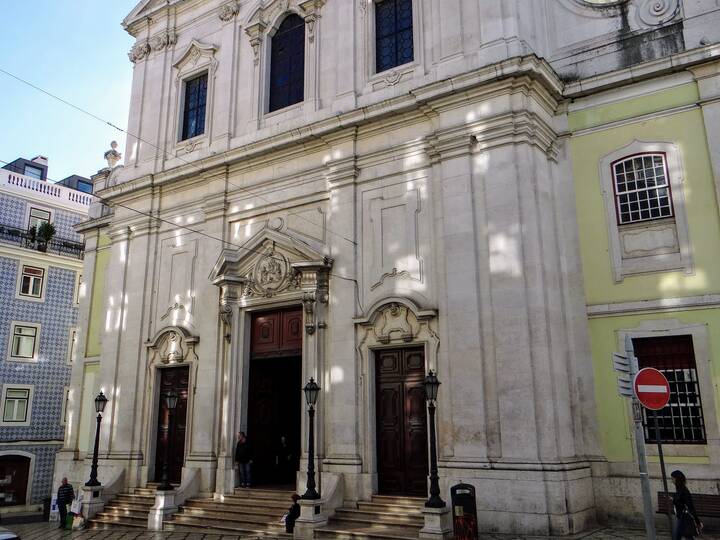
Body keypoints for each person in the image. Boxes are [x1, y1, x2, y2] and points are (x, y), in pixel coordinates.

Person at [671, 470, 702, 540]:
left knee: (683, 535)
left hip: (684, 518)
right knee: (683, 536)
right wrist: (673, 499)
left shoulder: (684, 491)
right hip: (680, 517)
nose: (672, 480)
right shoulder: (679, 489)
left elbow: (690, 506)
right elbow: (680, 502)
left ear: (677, 479)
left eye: (672, 478)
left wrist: (697, 521)